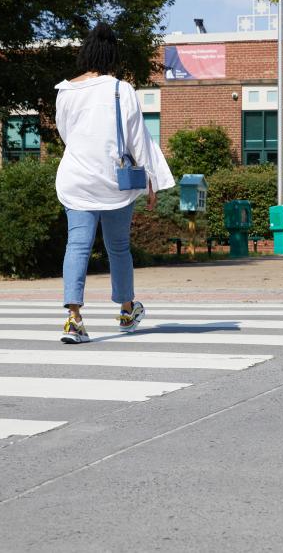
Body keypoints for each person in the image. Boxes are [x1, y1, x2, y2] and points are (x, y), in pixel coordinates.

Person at [54, 23, 174, 343]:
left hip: (76, 178)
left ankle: (74, 319)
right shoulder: (122, 90)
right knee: (118, 247)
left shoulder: (65, 90)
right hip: (113, 181)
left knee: (77, 245)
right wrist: (151, 178)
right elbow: (138, 140)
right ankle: (126, 309)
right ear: (112, 54)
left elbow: (66, 135)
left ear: (87, 51)